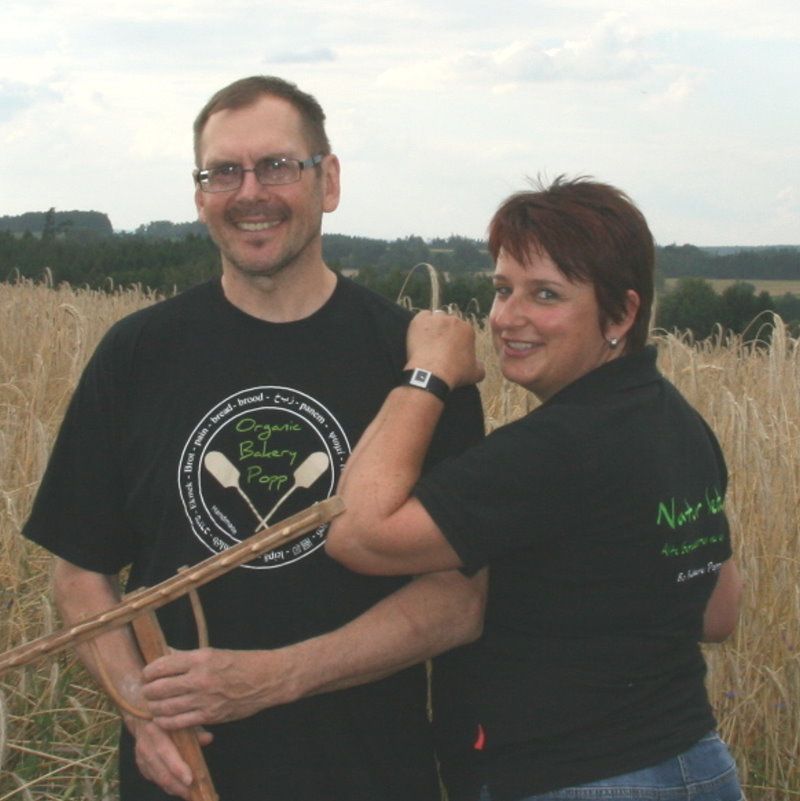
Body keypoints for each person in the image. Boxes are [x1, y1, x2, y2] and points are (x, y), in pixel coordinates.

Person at [22, 75, 486, 801]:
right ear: (200, 194)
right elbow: (81, 574)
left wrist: (275, 678)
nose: (250, 193)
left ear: (327, 181)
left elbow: (458, 599)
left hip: (366, 776)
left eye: (276, 166)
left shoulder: (420, 365)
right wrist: (141, 711)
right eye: (223, 173)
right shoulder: (137, 353)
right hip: (186, 780)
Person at [326, 176, 744, 801]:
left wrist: (425, 376)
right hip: (696, 766)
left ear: (622, 313)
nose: (506, 318)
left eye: (545, 294)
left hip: (580, 777)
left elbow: (356, 534)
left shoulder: (559, 446)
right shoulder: (676, 423)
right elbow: (717, 613)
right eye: (502, 290)